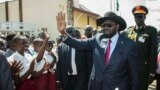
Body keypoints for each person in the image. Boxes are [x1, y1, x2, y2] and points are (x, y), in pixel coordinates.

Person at [56, 11, 140, 90]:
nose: (105, 28)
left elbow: (135, 76)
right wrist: (63, 33)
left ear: (117, 26)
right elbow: (78, 44)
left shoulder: (129, 45)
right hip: (96, 86)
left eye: (109, 25)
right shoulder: (97, 39)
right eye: (103, 26)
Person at [123, 5, 158, 90]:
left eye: (140, 16)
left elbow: (153, 52)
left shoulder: (151, 31)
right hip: (129, 69)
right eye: (136, 17)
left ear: (145, 17)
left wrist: (152, 72)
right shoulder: (128, 31)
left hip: (143, 70)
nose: (138, 18)